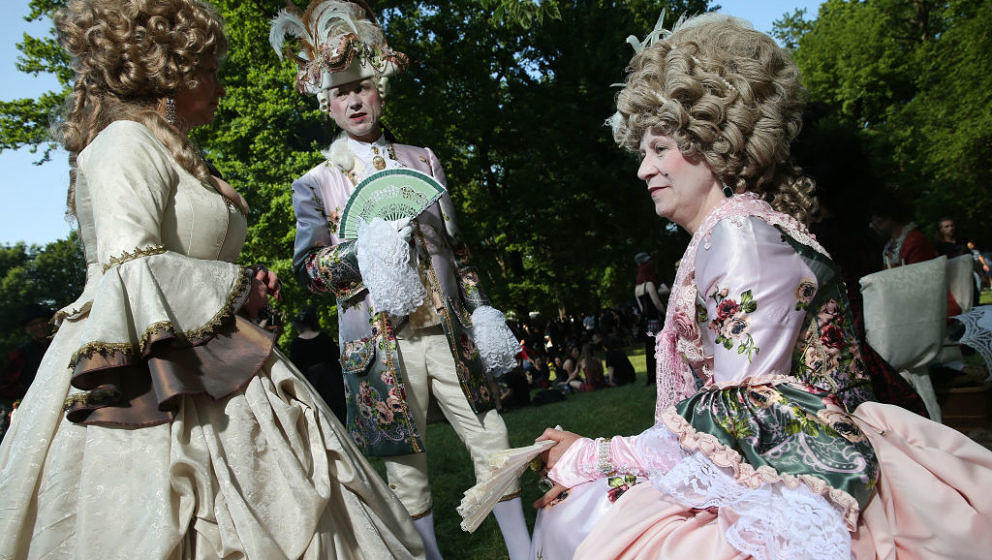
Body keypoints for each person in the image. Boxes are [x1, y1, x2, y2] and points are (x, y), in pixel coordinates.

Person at [530, 14, 992, 560]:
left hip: (807, 467)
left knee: (585, 525)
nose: (643, 170)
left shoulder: (741, 238)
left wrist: (598, 456)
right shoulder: (723, 234)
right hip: (770, 450)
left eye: (659, 148)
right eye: (642, 153)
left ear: (711, 138)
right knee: (581, 510)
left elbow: (746, 414)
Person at [0, 1, 424, 558]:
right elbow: (130, 269)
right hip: (151, 389)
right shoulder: (122, 144)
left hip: (212, 362)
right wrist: (236, 286)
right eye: (211, 72)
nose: (220, 87)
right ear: (171, 72)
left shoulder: (168, 148)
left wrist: (240, 286)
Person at [270, 2, 530, 559]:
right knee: (405, 468)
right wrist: (365, 250)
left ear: (380, 91)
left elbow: (454, 248)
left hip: (447, 330)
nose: (355, 100)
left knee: (494, 438)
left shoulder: (424, 159)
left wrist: (482, 311)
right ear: (329, 105)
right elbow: (310, 272)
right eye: (342, 93)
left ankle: (525, 550)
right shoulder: (315, 183)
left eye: (363, 87)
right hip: (379, 343)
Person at [289, 307, 347, 423]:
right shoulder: (324, 338)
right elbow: (336, 357)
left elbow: (296, 368)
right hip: (333, 382)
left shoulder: (296, 344)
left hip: (313, 386)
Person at [634, 252, 668, 386]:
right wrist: (665, 314)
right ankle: (662, 374)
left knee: (649, 350)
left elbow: (641, 309)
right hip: (656, 321)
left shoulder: (637, 288)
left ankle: (651, 377)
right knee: (660, 347)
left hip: (646, 323)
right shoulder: (649, 284)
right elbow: (657, 303)